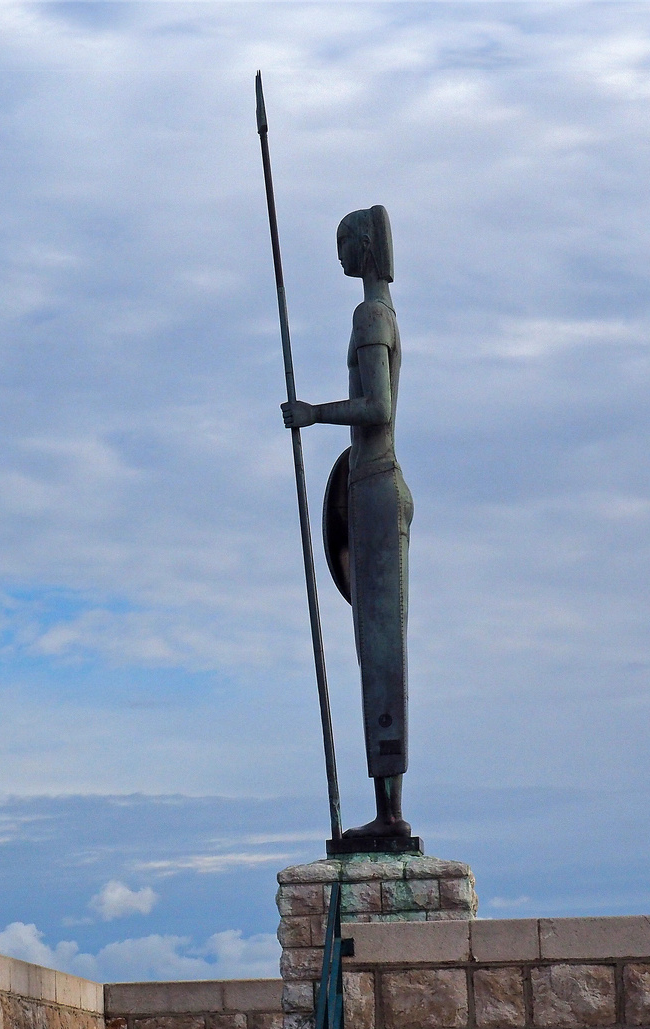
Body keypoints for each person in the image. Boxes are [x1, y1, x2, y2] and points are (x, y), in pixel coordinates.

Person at [281, 205, 413, 841]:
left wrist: (313, 413)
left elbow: (378, 407)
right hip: (366, 487)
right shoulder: (379, 313)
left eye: (343, 245)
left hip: (375, 484)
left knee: (381, 649)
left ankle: (390, 812)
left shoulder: (370, 315)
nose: (338, 257)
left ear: (362, 248)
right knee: (373, 647)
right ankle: (385, 803)